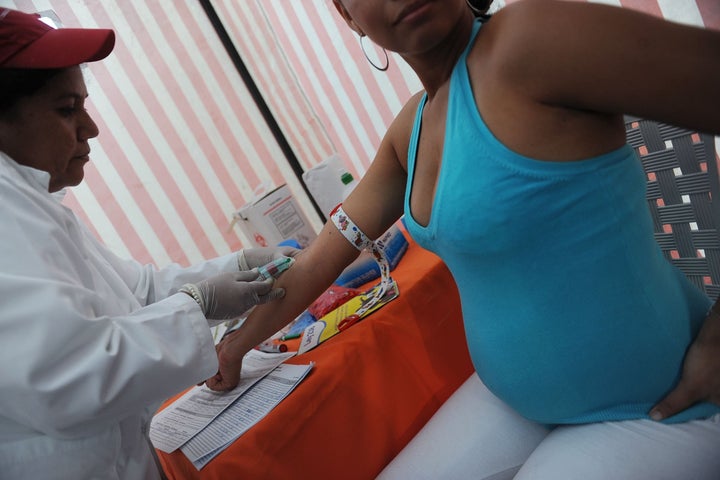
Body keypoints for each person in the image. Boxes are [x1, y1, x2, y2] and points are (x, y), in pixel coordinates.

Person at [207, 0, 720, 478]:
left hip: (660, 402)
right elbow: (319, 262)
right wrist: (233, 347)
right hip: (514, 402)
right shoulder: (411, 128)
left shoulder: (530, 42)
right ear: (349, 16)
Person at [0, 8, 296, 480]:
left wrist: (234, 267)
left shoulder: (34, 204)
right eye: (65, 109)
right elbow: (70, 377)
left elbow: (138, 291)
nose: (90, 128)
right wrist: (199, 305)